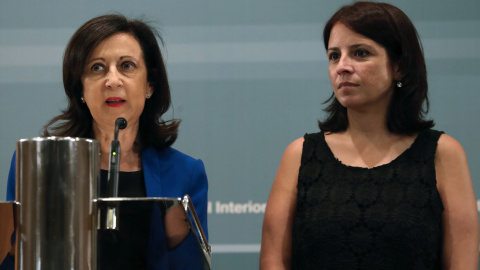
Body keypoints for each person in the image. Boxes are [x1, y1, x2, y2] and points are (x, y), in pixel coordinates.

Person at [260, 2, 479, 269]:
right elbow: (273, 262)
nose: (342, 66)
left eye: (360, 53)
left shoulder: (443, 153)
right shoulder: (300, 155)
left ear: (399, 66)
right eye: (333, 56)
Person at [1, 14, 208, 269]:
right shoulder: (38, 167)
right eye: (97, 68)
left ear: (150, 85)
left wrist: (177, 236)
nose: (112, 80)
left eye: (127, 66)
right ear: (81, 90)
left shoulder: (186, 174)